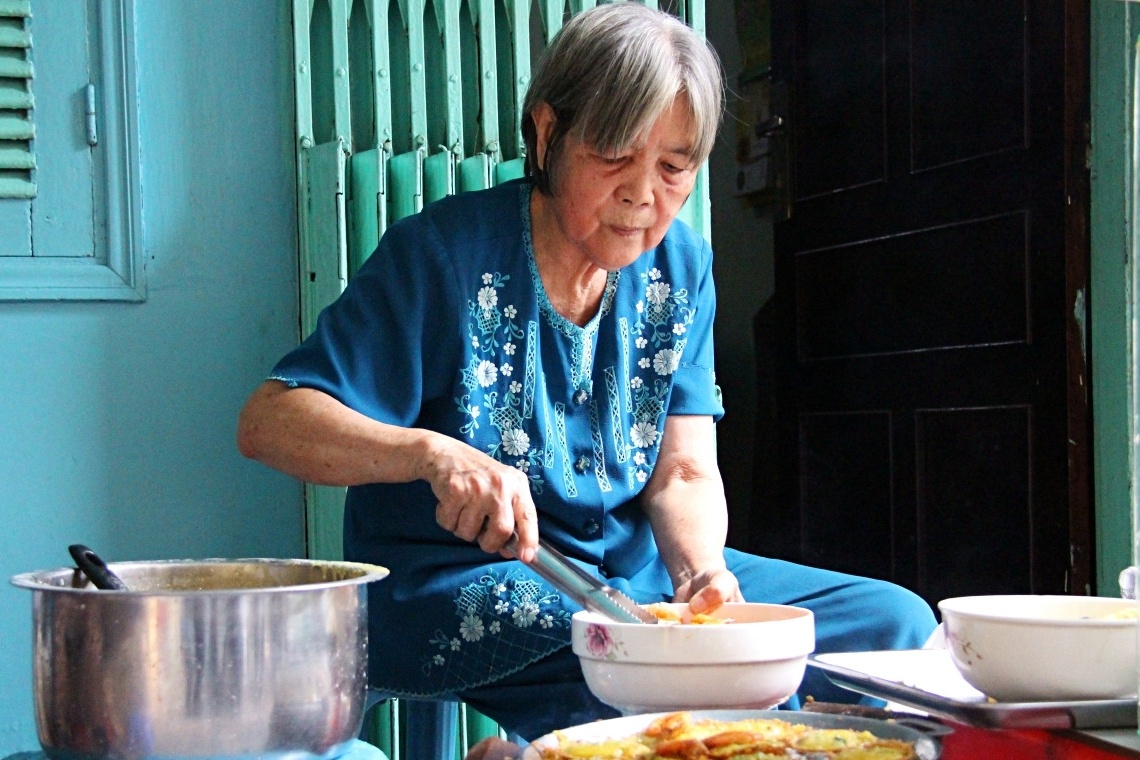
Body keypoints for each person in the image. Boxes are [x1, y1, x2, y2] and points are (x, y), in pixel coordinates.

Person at [237, 0, 937, 749]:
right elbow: (271, 421)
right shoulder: (441, 257)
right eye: (615, 156)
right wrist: (432, 454)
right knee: (637, 669)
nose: (644, 194)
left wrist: (700, 578)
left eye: (674, 168)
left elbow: (684, 472)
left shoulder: (682, 269)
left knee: (893, 625)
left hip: (637, 583)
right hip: (463, 580)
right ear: (549, 133)